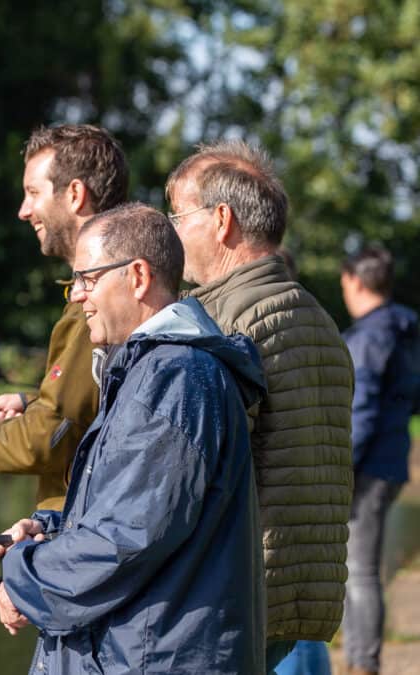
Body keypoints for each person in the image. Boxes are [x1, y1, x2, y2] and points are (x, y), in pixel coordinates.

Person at [0, 203, 267, 674]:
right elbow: (130, 512)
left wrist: (24, 575)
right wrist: (49, 532)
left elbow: (128, 538)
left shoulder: (174, 377)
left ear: (137, 276)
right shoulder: (147, 371)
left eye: (88, 279)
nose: (76, 295)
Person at [165, 140, 354, 672]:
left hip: (230, 592)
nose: (171, 233)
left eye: (178, 216)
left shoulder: (223, 323)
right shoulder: (321, 320)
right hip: (302, 593)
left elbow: (189, 473)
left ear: (221, 220)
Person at [0, 124, 128, 510]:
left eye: (33, 193)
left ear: (75, 194)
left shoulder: (98, 305)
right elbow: (98, 411)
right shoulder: (122, 288)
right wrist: (33, 403)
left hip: (83, 542)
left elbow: (49, 438)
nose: (23, 211)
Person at [340, 246, 420, 675]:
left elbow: (362, 410)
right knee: (361, 568)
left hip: (368, 466)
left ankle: (362, 663)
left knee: (361, 571)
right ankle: (357, 657)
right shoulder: (403, 328)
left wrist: (342, 466)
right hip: (390, 460)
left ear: (355, 281)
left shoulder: (371, 336)